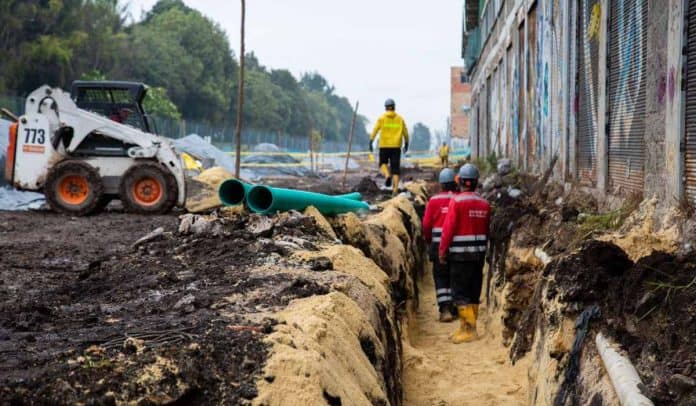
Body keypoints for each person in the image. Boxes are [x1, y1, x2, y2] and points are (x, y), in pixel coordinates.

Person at [438, 163, 491, 344]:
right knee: (473, 292)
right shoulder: (485, 203)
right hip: (479, 256)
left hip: (460, 257)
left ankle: (468, 330)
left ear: (460, 181)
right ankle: (467, 327)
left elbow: (448, 228)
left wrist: (442, 250)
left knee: (460, 294)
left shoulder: (457, 201)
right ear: (476, 182)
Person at [422, 168, 458, 322]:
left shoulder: (433, 201)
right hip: (458, 246)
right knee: (455, 276)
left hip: (437, 244)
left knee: (441, 276)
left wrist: (430, 241)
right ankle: (456, 306)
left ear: (441, 185)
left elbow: (426, 225)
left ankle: (445, 309)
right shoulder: (459, 198)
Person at [369, 98, 409, 195]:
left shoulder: (381, 118)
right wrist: (406, 143)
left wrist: (371, 140)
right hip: (396, 146)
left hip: (384, 145)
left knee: (383, 163)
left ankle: (387, 175)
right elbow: (405, 132)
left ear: (386, 108)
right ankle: (395, 190)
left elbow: (375, 129)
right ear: (394, 107)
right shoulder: (400, 119)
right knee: (395, 169)